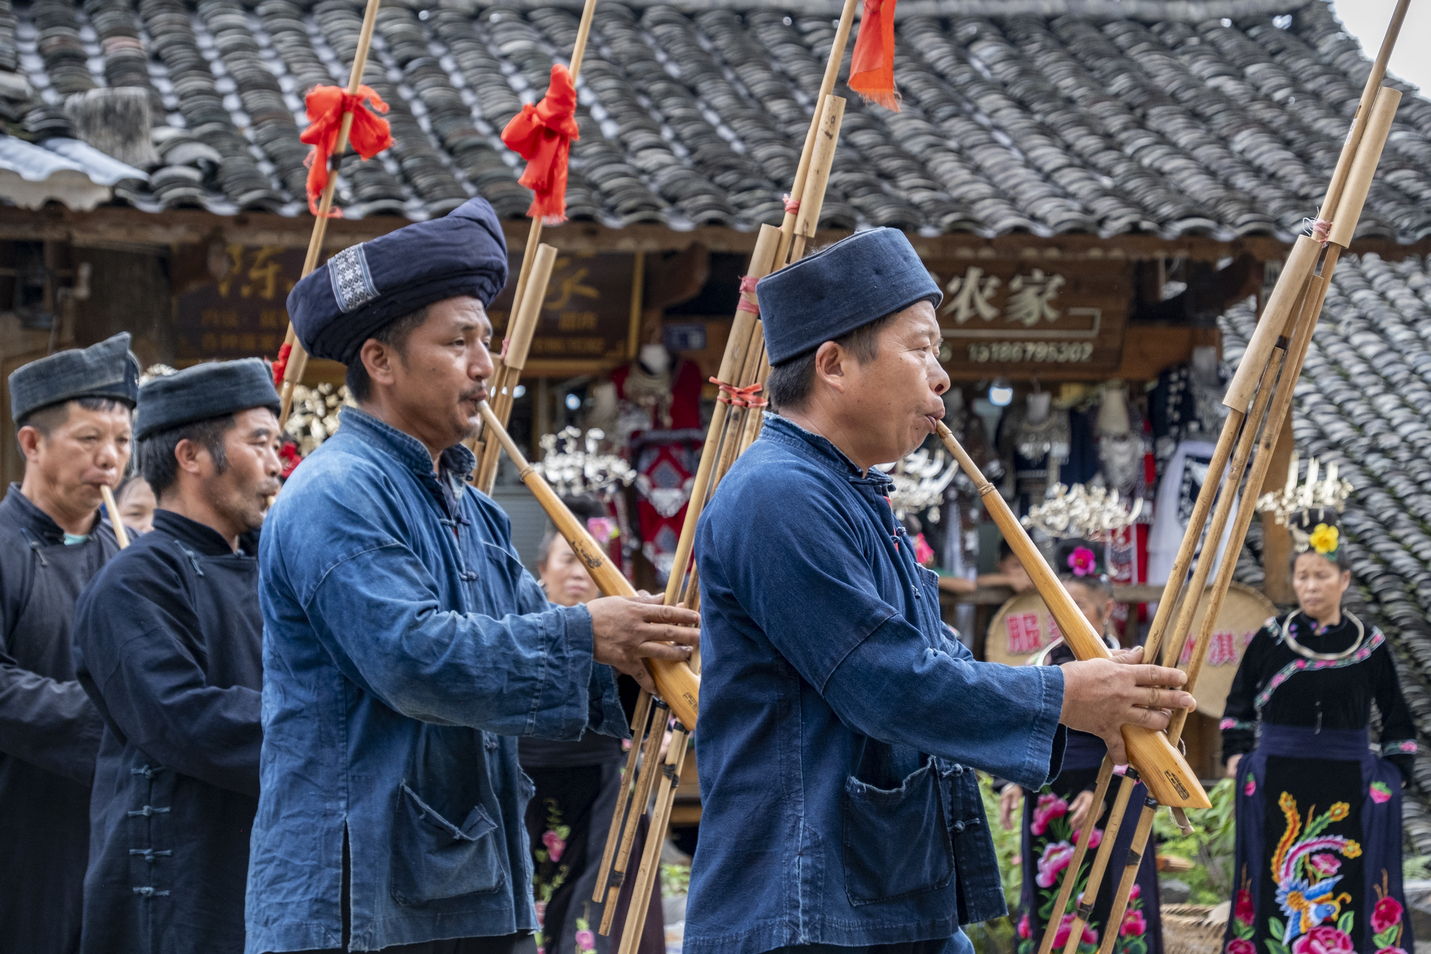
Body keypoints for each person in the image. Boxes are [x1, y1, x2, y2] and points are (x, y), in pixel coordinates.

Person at [687, 228, 1194, 954]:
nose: (942, 376)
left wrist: (1091, 696)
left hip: (870, 893)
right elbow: (885, 683)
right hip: (802, 906)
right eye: (920, 348)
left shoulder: (851, 493)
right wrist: (1064, 697)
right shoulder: (777, 495)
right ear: (832, 364)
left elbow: (934, 665)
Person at [247, 197, 700, 954]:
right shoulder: (335, 493)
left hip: (473, 883)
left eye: (485, 340)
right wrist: (587, 632)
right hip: (357, 895)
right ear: (380, 361)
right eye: (458, 341)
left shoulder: (474, 510)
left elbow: (538, 646)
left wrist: (640, 655)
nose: (486, 366)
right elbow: (414, 660)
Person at [71, 359, 282, 954]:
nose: (275, 463)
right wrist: (336, 731)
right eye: (259, 442)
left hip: (271, 864)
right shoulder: (133, 583)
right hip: (176, 880)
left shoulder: (277, 567)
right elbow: (187, 719)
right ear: (191, 456)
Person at [1221, 511, 1415, 954]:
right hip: (1277, 784)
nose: (1310, 585)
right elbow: (1238, 704)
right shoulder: (1271, 637)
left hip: (1348, 781)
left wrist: (1397, 772)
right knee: (1274, 880)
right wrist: (1236, 754)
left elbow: (1396, 717)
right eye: (1303, 576)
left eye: (1321, 575)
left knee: (1349, 881)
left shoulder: (1370, 644)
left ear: (1344, 579)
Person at [0, 332, 139, 954]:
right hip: (22, 824)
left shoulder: (130, 552)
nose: (110, 460)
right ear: (32, 443)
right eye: (90, 440)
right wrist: (115, 724)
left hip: (117, 827)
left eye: (123, 441)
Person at [999, 540, 1162, 954]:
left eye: (1080, 605)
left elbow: (1141, 742)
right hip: (1049, 794)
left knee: (1110, 898)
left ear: (1107, 610)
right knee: (1050, 901)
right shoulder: (1041, 666)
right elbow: (1022, 731)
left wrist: (1104, 789)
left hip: (1113, 792)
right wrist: (1015, 782)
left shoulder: (1128, 666)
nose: (1066, 616)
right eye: (1060, 605)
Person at [521, 500, 662, 954]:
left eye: (588, 562)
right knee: (527, 898)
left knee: (589, 908)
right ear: (542, 567)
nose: (578, 573)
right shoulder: (521, 629)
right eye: (567, 560)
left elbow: (654, 704)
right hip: (527, 781)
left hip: (601, 784)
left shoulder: (626, 632)